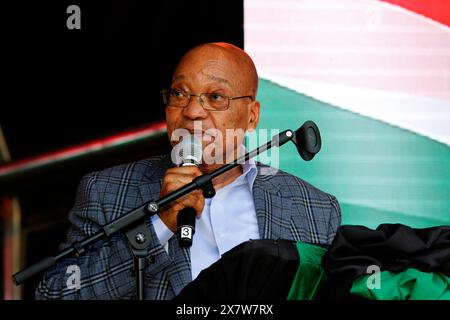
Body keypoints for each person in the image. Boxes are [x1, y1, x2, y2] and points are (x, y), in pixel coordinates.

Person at [35, 42, 341, 300]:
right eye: (179, 94)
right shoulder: (106, 190)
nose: (192, 112)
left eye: (215, 97)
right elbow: (56, 294)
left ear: (251, 117)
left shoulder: (313, 207)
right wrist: (158, 226)